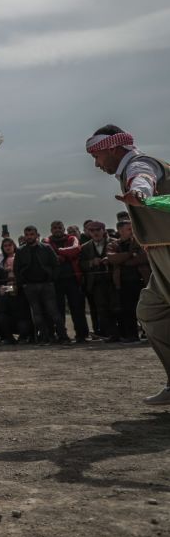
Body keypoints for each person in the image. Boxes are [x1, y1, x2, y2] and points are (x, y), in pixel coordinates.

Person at [86, 125, 170, 404]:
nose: (96, 164)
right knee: (151, 312)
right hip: (160, 252)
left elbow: (143, 179)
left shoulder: (139, 163)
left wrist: (140, 192)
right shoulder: (129, 169)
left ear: (111, 147)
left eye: (96, 156)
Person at [15, 226, 65, 344]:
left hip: (46, 284)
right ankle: (43, 337)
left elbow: (56, 264)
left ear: (37, 235)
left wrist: (52, 279)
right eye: (27, 235)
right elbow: (16, 269)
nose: (29, 237)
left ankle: (63, 336)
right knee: (37, 315)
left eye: (31, 234)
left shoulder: (46, 248)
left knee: (53, 312)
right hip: (30, 286)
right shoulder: (21, 251)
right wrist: (23, 283)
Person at [47, 220, 89, 343]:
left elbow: (76, 249)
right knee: (58, 310)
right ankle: (62, 336)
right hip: (56, 281)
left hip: (73, 279)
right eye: (54, 228)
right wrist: (66, 254)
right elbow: (49, 255)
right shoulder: (46, 241)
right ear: (51, 230)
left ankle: (82, 335)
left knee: (77, 308)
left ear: (63, 228)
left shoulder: (71, 238)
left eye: (59, 227)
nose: (57, 229)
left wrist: (58, 252)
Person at [106, 217, 144, 343]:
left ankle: (148, 334)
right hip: (123, 282)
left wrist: (124, 261)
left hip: (140, 280)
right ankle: (132, 335)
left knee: (144, 309)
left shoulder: (139, 242)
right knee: (128, 310)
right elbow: (112, 259)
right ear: (120, 230)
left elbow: (142, 258)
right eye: (128, 229)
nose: (132, 231)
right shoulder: (113, 244)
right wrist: (129, 254)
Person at [81, 221, 117, 341]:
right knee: (102, 309)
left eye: (98, 230)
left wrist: (111, 260)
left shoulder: (114, 243)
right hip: (97, 283)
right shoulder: (85, 247)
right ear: (89, 233)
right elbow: (81, 264)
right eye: (92, 231)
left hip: (113, 281)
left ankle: (121, 333)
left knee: (116, 307)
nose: (95, 233)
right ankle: (108, 334)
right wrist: (91, 262)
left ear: (103, 230)